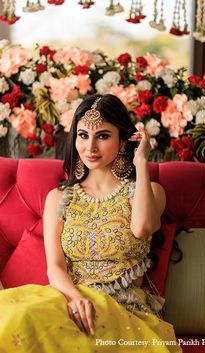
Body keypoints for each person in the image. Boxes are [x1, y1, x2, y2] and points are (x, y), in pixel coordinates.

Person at [0, 94, 182, 353]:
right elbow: (54, 267)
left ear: (123, 140)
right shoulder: (59, 198)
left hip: (119, 306)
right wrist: (75, 297)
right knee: (11, 318)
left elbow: (142, 227)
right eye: (83, 135)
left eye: (103, 136)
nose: (90, 147)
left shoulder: (148, 191)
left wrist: (141, 161)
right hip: (66, 299)